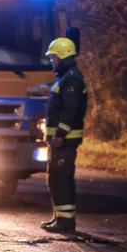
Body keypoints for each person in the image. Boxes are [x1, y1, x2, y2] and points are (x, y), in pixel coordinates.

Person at [41, 37, 87, 232]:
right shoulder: (65, 76)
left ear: (62, 56)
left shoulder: (72, 79)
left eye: (53, 57)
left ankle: (66, 222)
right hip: (58, 141)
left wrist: (60, 134)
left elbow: (71, 109)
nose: (51, 60)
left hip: (64, 141)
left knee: (61, 178)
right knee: (55, 178)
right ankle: (59, 217)